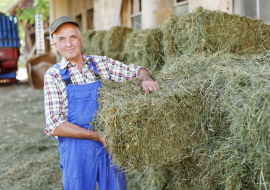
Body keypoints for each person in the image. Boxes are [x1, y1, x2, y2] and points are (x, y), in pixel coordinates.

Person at [44, 16, 159, 190]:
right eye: (61, 39)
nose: (68, 44)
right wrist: (96, 136)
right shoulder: (54, 75)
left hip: (108, 145)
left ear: (81, 39)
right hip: (77, 150)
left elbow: (137, 70)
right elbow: (55, 125)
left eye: (73, 37)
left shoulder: (101, 64)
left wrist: (146, 79)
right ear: (54, 44)